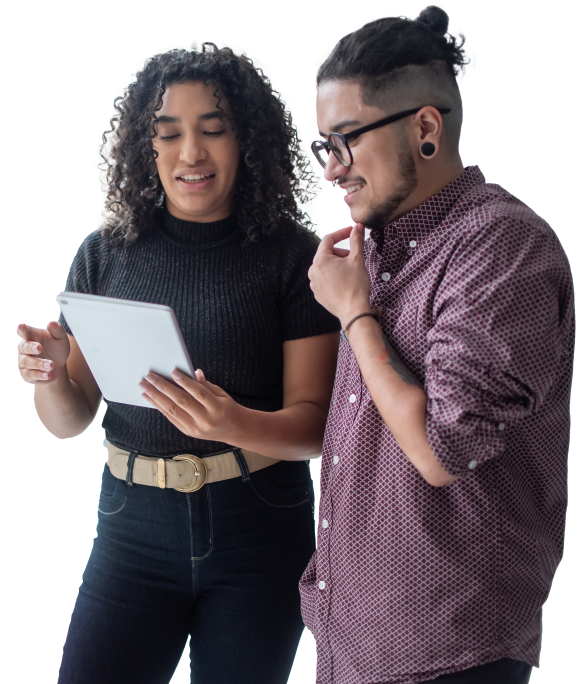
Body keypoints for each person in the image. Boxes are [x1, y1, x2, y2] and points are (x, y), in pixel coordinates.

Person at [17, 41, 344, 684]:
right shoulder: (108, 251)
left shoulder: (291, 256)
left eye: (213, 131)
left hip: (258, 529)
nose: (190, 154)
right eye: (168, 135)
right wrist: (53, 375)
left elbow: (315, 425)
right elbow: (70, 420)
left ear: (248, 141)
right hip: (131, 532)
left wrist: (232, 423)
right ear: (146, 147)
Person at [299, 4, 573, 684]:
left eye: (346, 140)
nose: (332, 169)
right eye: (322, 144)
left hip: (451, 652)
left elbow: (442, 451)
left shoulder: (503, 247)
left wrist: (357, 315)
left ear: (424, 127)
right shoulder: (371, 254)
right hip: (352, 644)